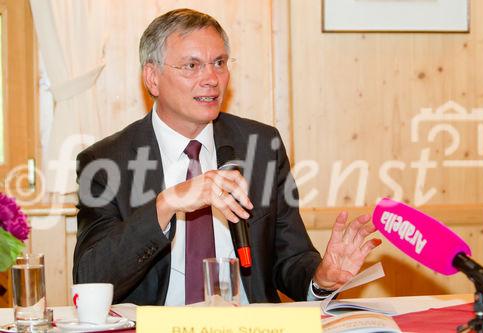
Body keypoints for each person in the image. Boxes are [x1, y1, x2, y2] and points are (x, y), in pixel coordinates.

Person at [73, 8, 381, 306]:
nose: (211, 78)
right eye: (191, 66)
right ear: (152, 78)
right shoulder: (105, 162)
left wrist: (320, 279)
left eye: (219, 63)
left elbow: (291, 258)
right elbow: (91, 278)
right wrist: (166, 205)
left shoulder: (260, 147)